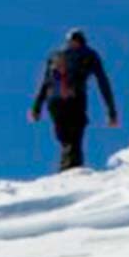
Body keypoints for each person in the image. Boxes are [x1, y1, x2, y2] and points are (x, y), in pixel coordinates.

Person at [27, 29, 118, 171]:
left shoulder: (55, 55)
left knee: (66, 140)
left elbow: (45, 82)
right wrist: (111, 111)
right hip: (74, 98)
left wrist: (36, 107)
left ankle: (66, 170)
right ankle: (72, 174)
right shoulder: (89, 54)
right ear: (83, 41)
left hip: (54, 101)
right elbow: (103, 82)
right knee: (74, 138)